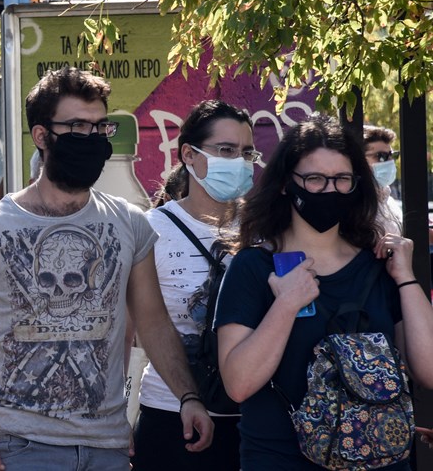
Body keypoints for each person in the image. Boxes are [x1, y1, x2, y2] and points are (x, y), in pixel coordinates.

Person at [0, 67, 213, 470]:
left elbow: (153, 323)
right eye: (77, 125)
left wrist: (188, 397)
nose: (92, 138)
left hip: (107, 446)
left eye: (100, 127)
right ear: (43, 136)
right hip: (17, 446)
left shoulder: (130, 222)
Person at [215, 114, 433, 468]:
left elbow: (429, 370)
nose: (330, 190)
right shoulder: (254, 268)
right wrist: (285, 305)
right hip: (282, 459)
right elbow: (238, 384)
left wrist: (406, 278)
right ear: (287, 183)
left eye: (342, 179)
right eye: (315, 179)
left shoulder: (379, 265)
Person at [132, 100, 256, 470]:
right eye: (226, 150)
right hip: (170, 416)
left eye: (246, 152)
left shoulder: (267, 229)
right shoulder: (150, 229)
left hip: (254, 418)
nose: (239, 161)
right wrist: (118, 419)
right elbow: (127, 332)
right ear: (189, 154)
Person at [364, 124, 403, 234]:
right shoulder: (354, 206)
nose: (390, 161)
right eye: (381, 156)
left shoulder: (389, 202)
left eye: (392, 155)